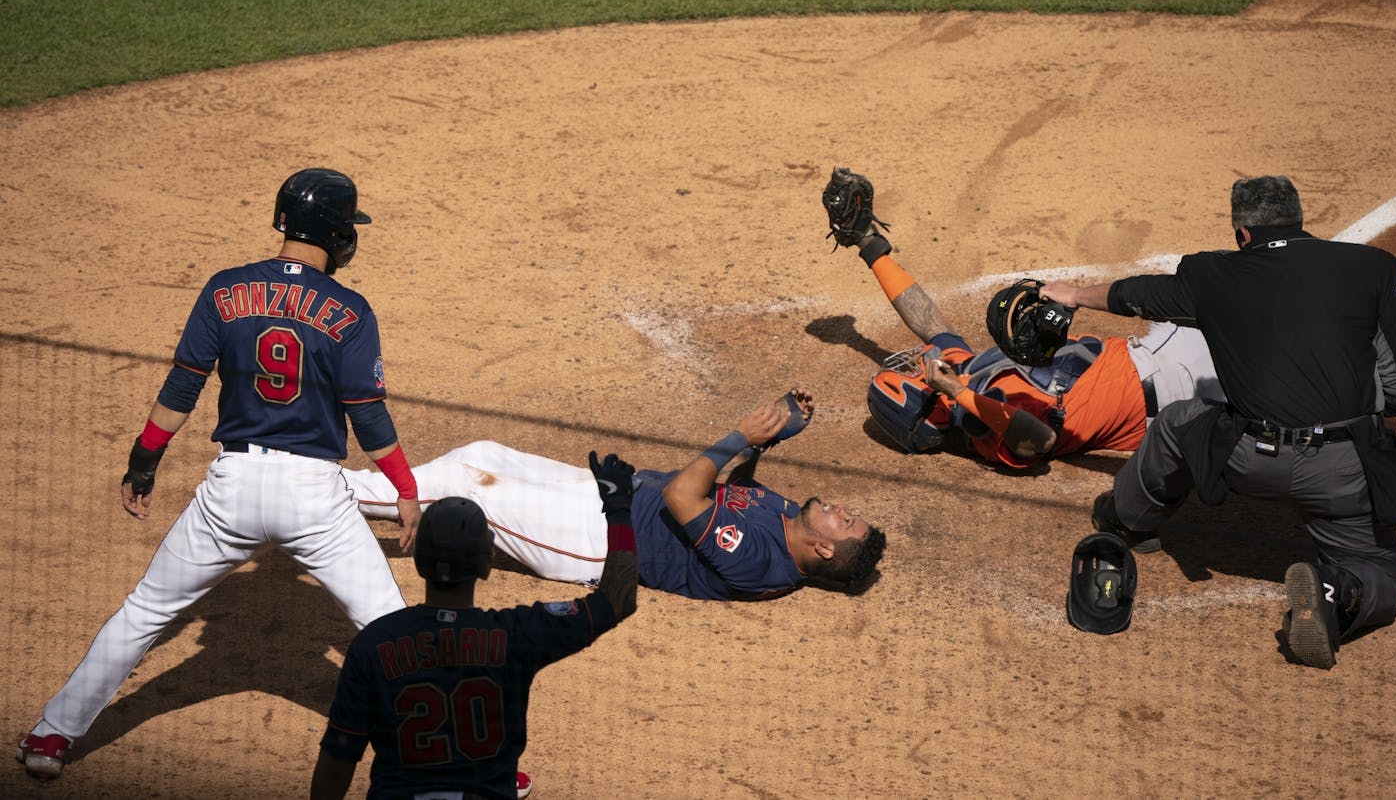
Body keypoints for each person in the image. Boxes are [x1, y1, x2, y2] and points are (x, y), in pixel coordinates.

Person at [17, 168, 424, 780]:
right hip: (315, 499)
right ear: (336, 233)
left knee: (146, 611)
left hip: (230, 490)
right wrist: (407, 489)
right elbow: (367, 414)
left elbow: (183, 385)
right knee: (392, 631)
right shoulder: (350, 309)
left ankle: (50, 736)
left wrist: (143, 460)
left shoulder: (224, 289)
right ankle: (461, 759)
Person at [1040, 174, 1396, 669]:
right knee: (1379, 570)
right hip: (1341, 471)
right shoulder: (1375, 268)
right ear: (1301, 217)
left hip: (1248, 459)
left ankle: (1130, 522)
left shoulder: (1211, 275)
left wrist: (1073, 294)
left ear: (1241, 232)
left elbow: (1139, 295)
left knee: (1178, 422)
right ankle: (1339, 592)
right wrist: (1370, 438)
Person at [823, 167, 1223, 473]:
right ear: (929, 401)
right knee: (1236, 301)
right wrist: (961, 394)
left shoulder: (962, 371)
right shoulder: (983, 432)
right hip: (1171, 385)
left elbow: (929, 322)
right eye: (912, 371)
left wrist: (869, 246)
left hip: (1152, 356)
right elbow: (1041, 439)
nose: (915, 359)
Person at [345, 389, 887, 600]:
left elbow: (682, 497)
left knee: (468, 491)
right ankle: (366, 487)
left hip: (593, 540)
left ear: (822, 552)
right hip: (609, 494)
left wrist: (741, 436)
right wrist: (771, 441)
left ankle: (338, 491)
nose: (841, 510)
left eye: (845, 523)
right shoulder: (792, 519)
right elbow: (736, 496)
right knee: (483, 453)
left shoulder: (761, 565)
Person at [310, 453, 639, 800]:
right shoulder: (517, 636)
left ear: (420, 561)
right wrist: (618, 509)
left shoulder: (373, 644)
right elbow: (618, 599)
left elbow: (338, 757)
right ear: (486, 565)